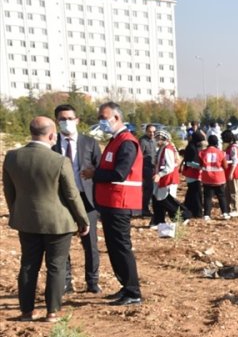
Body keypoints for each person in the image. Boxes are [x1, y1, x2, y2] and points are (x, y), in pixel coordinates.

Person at [3, 117, 90, 321]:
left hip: (27, 221)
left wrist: (17, 211)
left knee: (28, 265)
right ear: (52, 135)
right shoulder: (59, 160)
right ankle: (52, 312)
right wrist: (82, 220)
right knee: (56, 266)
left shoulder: (12, 157)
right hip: (58, 223)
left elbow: (9, 191)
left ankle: (26, 312)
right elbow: (71, 194)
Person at [84, 101, 145, 306]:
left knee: (121, 247)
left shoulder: (127, 142)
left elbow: (120, 172)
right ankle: (125, 286)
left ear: (117, 118)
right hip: (110, 202)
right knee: (113, 246)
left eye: (104, 117)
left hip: (121, 202)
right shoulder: (115, 141)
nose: (101, 122)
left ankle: (133, 291)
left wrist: (94, 174)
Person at [53, 103, 102, 294]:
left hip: (86, 199)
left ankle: (92, 281)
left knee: (90, 243)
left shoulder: (89, 143)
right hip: (60, 200)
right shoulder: (52, 143)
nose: (66, 122)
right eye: (62, 119)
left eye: (70, 118)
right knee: (62, 242)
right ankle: (66, 282)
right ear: (57, 122)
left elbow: (100, 170)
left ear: (77, 120)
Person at [150, 129, 190, 227]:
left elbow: (170, 166)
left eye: (158, 138)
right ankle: (158, 221)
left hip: (167, 179)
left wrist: (159, 174)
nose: (156, 141)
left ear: (163, 139)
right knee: (158, 199)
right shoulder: (162, 148)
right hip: (162, 179)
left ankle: (183, 216)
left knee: (167, 201)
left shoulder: (167, 149)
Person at [200, 134, 229, 220]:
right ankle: (225, 213)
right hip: (219, 178)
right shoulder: (221, 153)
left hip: (207, 178)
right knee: (222, 196)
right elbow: (225, 166)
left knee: (207, 197)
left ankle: (206, 214)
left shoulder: (202, 152)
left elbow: (201, 164)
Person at [180, 132, 205, 219]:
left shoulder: (193, 147)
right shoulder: (191, 148)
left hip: (193, 172)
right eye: (200, 141)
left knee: (191, 193)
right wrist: (200, 167)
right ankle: (197, 212)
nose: (201, 143)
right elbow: (189, 162)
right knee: (196, 193)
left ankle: (186, 209)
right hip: (192, 173)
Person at [221, 129, 238, 217]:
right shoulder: (229, 147)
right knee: (227, 191)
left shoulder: (234, 148)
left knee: (233, 191)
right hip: (228, 171)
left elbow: (235, 161)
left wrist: (231, 173)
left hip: (234, 172)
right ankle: (229, 209)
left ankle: (235, 209)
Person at [139, 123, 158, 219]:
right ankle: (144, 209)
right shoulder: (143, 141)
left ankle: (146, 207)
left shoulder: (154, 141)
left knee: (151, 190)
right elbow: (139, 156)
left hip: (153, 167)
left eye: (154, 132)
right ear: (146, 131)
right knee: (148, 189)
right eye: (150, 132)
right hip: (145, 168)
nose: (152, 134)